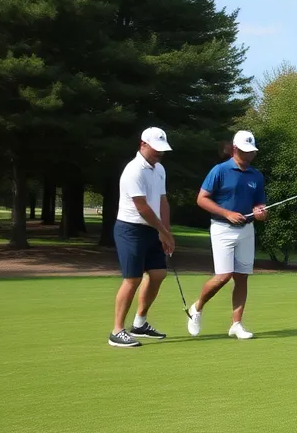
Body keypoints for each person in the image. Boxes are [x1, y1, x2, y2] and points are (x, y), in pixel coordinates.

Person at [186, 130, 267, 340]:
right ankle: (197, 307)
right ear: (234, 149)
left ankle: (236, 324)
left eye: (252, 152)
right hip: (222, 228)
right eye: (244, 151)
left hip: (247, 230)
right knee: (223, 276)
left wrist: (261, 213)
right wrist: (226, 213)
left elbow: (260, 204)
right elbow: (202, 199)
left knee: (242, 278)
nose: (249, 156)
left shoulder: (256, 176)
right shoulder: (219, 171)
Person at [109, 127, 176, 348]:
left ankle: (140, 323)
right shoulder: (133, 171)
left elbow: (163, 201)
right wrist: (163, 232)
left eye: (162, 150)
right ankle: (117, 331)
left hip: (152, 230)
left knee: (158, 274)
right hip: (131, 230)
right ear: (143, 145)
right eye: (156, 149)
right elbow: (143, 209)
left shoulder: (160, 169)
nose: (160, 154)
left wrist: (166, 230)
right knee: (133, 279)